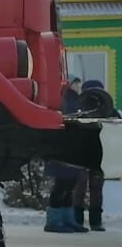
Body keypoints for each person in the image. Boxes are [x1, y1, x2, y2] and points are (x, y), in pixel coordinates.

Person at [72, 79, 118, 231]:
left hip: (96, 154)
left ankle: (93, 221)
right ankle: (80, 220)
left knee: (94, 188)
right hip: (86, 154)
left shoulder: (108, 109)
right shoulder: (79, 109)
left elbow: (117, 126)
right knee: (81, 188)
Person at [45, 78, 87, 233]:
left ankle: (68, 219)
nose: (79, 87)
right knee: (61, 185)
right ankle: (53, 220)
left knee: (69, 186)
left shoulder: (76, 100)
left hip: (71, 151)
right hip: (62, 151)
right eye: (77, 84)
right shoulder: (66, 100)